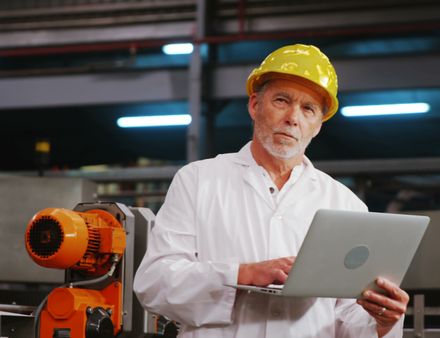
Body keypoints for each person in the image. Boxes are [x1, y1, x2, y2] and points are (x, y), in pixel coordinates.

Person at [133, 44, 409, 337]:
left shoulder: (345, 204)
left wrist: (382, 322)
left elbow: (346, 315)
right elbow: (155, 283)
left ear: (317, 126)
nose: (293, 117)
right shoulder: (198, 181)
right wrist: (242, 274)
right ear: (254, 105)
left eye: (308, 109)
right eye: (281, 100)